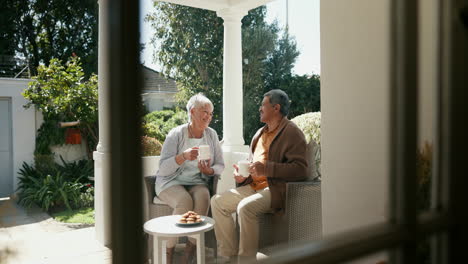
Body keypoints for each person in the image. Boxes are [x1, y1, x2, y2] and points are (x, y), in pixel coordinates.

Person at [211, 89, 308, 263]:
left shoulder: (292, 132)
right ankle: (229, 255)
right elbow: (253, 166)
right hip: (255, 187)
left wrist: (267, 169)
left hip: (276, 189)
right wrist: (242, 177)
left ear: (276, 108)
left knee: (245, 208)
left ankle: (246, 260)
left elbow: (301, 170)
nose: (259, 109)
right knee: (217, 202)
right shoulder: (259, 134)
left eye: (263, 105)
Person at [155, 93, 225, 264]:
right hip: (170, 182)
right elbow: (163, 168)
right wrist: (183, 157)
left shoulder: (212, 135)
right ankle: (168, 252)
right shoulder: (176, 134)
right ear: (192, 111)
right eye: (204, 112)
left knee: (203, 197)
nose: (208, 116)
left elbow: (220, 165)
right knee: (184, 201)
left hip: (197, 181)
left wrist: (209, 171)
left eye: (210, 113)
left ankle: (189, 252)